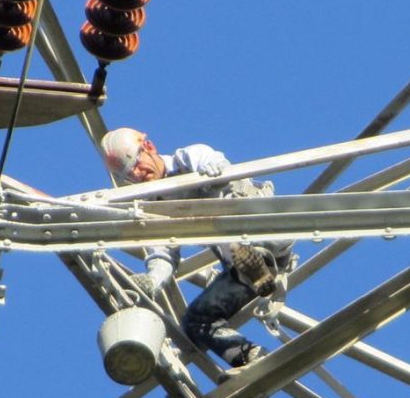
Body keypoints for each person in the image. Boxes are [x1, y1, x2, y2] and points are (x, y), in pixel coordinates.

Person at [100, 127, 294, 371]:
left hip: (263, 230)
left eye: (136, 164)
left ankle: (255, 259)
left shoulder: (187, 159)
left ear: (149, 148)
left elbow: (214, 162)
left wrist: (215, 170)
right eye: (129, 175)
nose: (137, 174)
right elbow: (163, 255)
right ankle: (251, 357)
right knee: (196, 322)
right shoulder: (155, 209)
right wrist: (151, 280)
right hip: (244, 265)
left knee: (227, 222)